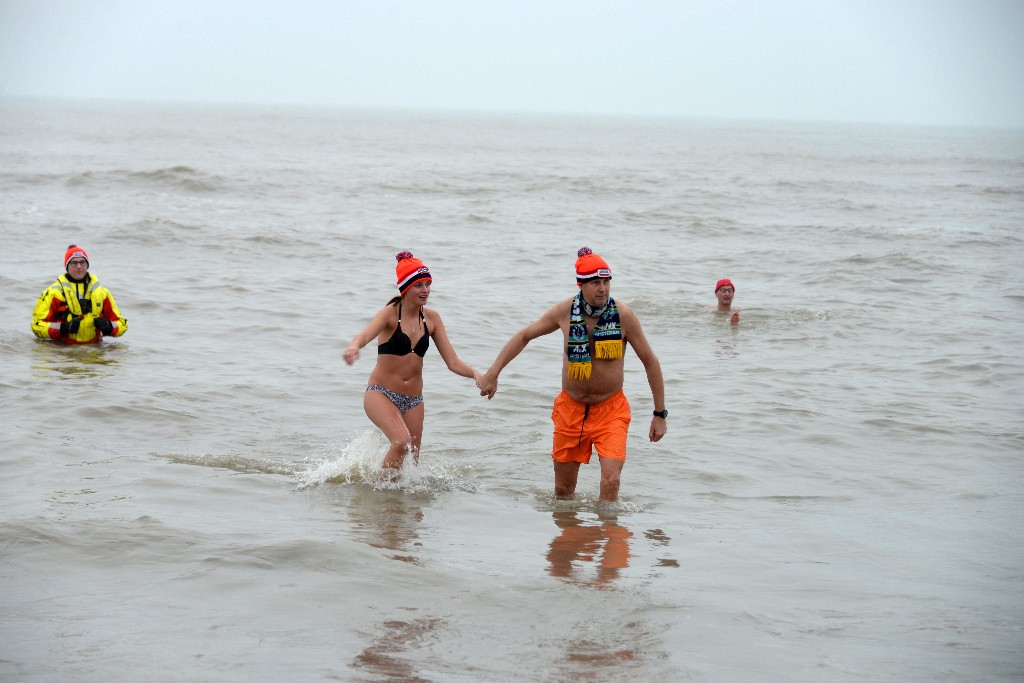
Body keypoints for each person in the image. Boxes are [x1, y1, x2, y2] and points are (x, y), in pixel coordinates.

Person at [478, 247, 666, 502]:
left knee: (612, 481)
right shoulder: (564, 311)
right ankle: (573, 540)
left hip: (610, 409)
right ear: (581, 285)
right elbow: (524, 336)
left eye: (607, 282)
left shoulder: (623, 316)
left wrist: (659, 414)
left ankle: (609, 534)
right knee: (563, 493)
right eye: (596, 283)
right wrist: (493, 373)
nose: (603, 289)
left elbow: (650, 362)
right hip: (571, 409)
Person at [343, 251, 481, 475]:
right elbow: (365, 335)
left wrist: (475, 373)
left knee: (411, 466)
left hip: (414, 401)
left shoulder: (432, 319)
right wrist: (354, 347)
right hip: (381, 393)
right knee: (400, 442)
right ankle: (380, 492)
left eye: (428, 284)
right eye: (419, 285)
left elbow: (453, 362)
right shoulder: (389, 314)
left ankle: (396, 504)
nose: (425, 290)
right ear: (406, 288)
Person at [31, 244, 128, 344]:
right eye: (74, 263)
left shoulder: (102, 293)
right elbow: (36, 326)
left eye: (82, 262)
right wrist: (63, 328)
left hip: (94, 350)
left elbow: (122, 325)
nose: (79, 266)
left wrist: (109, 326)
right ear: (67, 266)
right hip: (62, 352)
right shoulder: (53, 293)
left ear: (87, 265)